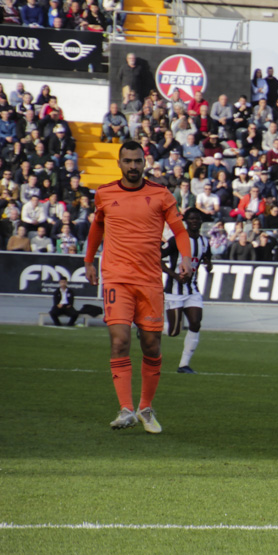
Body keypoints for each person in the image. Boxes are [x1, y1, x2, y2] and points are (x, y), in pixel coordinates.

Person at [84, 140, 194, 434]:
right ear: (119, 164)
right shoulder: (105, 193)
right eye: (128, 161)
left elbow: (180, 230)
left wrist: (186, 258)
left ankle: (145, 407)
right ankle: (125, 409)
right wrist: (89, 261)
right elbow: (97, 227)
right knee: (119, 340)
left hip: (149, 281)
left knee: (151, 344)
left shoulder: (160, 194)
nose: (133, 166)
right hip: (116, 278)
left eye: (138, 161)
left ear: (144, 164)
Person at [162, 208, 213, 374]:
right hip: (174, 289)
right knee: (174, 331)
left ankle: (184, 365)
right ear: (186, 221)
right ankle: (146, 326)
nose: (194, 221)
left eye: (197, 219)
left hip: (192, 290)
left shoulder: (204, 241)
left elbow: (207, 259)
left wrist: (209, 265)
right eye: (191, 219)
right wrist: (174, 275)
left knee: (196, 323)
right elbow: (157, 258)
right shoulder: (176, 239)